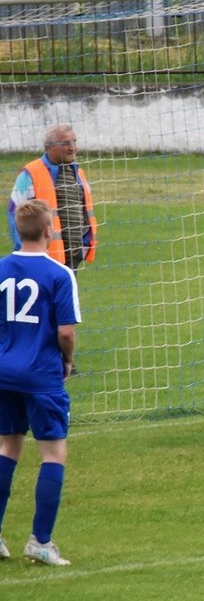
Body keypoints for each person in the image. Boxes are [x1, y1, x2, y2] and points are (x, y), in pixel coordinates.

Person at [0, 200, 81, 565]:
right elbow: (65, 332)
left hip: (4, 373)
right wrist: (68, 360)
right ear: (49, 229)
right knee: (53, 454)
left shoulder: (1, 268)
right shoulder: (59, 274)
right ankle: (41, 542)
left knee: (7, 448)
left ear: (18, 230)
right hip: (41, 376)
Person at [8, 125, 97, 271]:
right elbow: (14, 215)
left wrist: (84, 245)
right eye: (66, 143)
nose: (72, 148)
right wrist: (26, 254)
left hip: (73, 256)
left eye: (74, 142)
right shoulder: (30, 174)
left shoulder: (78, 173)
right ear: (49, 147)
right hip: (41, 258)